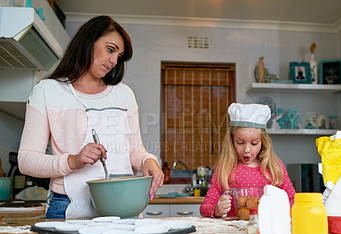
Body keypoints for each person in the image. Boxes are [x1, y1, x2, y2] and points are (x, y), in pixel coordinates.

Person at [18, 15, 164, 219]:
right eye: (110, 49)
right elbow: (26, 160)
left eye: (119, 56)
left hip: (123, 203)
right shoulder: (47, 91)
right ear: (88, 41)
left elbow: (134, 151)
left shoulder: (124, 95)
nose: (114, 61)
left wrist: (149, 161)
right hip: (68, 205)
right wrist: (73, 161)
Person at [200, 103, 296, 218]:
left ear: (263, 142)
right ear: (231, 141)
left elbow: (292, 200)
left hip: (267, 231)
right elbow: (205, 207)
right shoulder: (226, 168)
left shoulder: (274, 166)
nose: (247, 149)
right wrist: (216, 210)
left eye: (254, 143)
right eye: (240, 143)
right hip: (235, 232)